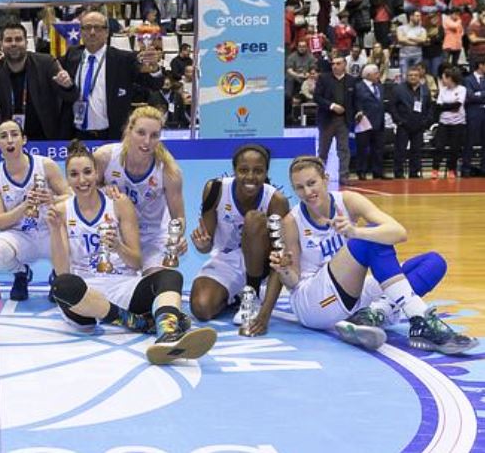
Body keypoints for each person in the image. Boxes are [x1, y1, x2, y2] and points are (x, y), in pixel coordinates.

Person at [269, 156, 477, 354]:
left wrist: (355, 231)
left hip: (352, 292)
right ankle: (419, 318)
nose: (307, 191)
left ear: (325, 179)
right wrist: (284, 269)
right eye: (299, 187)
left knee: (433, 262)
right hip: (314, 304)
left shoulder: (348, 201)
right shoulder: (292, 221)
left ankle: (375, 313)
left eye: (312, 183)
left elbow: (399, 233)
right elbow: (293, 283)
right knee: (369, 242)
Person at [46, 140, 216, 364]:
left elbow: (136, 262)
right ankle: (138, 322)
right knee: (62, 285)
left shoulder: (119, 203)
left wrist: (117, 246)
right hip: (85, 295)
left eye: (87, 172)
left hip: (122, 285)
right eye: (74, 174)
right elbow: (62, 270)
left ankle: (166, 333)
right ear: (67, 179)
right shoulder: (61, 211)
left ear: (97, 173)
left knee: (171, 276)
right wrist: (57, 229)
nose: (82, 180)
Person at [189, 145, 290, 333]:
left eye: (258, 171)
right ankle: (236, 296)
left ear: (266, 172)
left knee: (254, 219)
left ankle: (252, 294)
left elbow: (280, 261)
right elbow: (206, 245)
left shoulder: (276, 201)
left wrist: (265, 314)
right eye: (244, 170)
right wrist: (202, 244)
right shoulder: (215, 189)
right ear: (234, 170)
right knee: (201, 308)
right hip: (226, 261)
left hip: (262, 265)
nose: (250, 177)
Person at [93, 106, 186, 275]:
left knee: (155, 285)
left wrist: (176, 239)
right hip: (117, 237)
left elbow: (178, 217)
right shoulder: (105, 157)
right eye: (141, 133)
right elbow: (81, 192)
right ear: (129, 130)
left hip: (153, 238)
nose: (147, 141)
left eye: (154, 135)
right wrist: (101, 191)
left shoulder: (169, 171)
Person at [0, 119, 70, 301]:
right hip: (21, 236)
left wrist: (52, 199)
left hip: (50, 232)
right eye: (3, 136)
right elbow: (0, 221)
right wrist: (24, 207)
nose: (10, 140)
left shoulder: (45, 165)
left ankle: (58, 275)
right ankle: (21, 273)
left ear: (24, 139)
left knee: (78, 240)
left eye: (14, 135)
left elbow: (71, 196)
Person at [59, 10, 163, 139]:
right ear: (81, 31)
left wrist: (154, 68)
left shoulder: (123, 59)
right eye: (87, 28)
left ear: (107, 32)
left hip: (111, 135)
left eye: (97, 28)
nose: (92, 32)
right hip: (76, 135)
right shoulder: (71, 56)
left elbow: (155, 84)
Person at [0, 24, 77, 140]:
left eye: (18, 39)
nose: (13, 44)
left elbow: (71, 97)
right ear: (1, 45)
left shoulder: (46, 63)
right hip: (11, 140)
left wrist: (68, 86)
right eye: (8, 40)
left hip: (47, 138)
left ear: (27, 43)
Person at [313, 55, 357, 184]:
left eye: (338, 64)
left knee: (344, 149)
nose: (334, 66)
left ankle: (344, 176)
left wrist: (358, 112)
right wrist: (332, 106)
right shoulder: (323, 78)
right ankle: (319, 176)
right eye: (333, 64)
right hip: (327, 119)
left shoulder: (351, 80)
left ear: (344, 65)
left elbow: (355, 100)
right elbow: (317, 97)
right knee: (323, 150)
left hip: (343, 120)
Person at [390, 66, 433, 179]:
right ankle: (398, 173)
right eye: (410, 75)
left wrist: (425, 122)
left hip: (419, 125)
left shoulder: (425, 90)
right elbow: (392, 107)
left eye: (415, 75)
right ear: (406, 76)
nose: (413, 77)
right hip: (403, 125)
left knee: (417, 151)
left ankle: (414, 173)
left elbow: (429, 107)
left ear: (420, 77)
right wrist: (399, 121)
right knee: (400, 150)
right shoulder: (398, 89)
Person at [353, 64, 388, 180]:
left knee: (378, 148)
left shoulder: (380, 86)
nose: (378, 75)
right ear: (368, 75)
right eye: (376, 73)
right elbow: (355, 102)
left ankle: (377, 171)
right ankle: (361, 171)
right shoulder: (358, 87)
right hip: (364, 121)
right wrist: (358, 112)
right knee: (362, 148)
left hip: (379, 121)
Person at [432, 67, 467, 180]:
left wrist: (445, 107)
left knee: (455, 148)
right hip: (444, 123)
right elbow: (438, 107)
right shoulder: (442, 90)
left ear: (450, 78)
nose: (442, 80)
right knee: (439, 147)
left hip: (458, 123)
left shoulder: (462, 89)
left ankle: (451, 169)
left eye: (443, 78)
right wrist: (449, 106)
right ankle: (435, 169)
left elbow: (457, 106)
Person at [463, 59, 485, 177]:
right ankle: (466, 168)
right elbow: (470, 96)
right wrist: (482, 94)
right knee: (469, 141)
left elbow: (475, 95)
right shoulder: (468, 79)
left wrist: (479, 94)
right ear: (481, 65)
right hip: (473, 113)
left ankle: (483, 168)